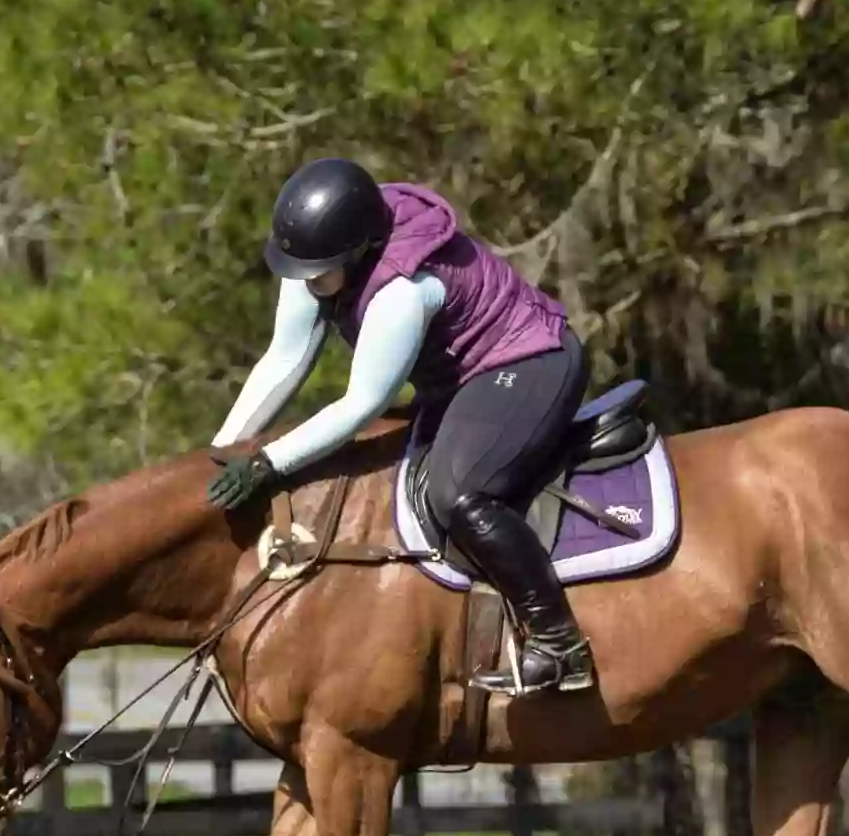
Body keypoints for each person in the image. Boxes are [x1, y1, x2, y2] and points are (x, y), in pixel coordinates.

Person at [203, 157, 595, 696]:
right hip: (457, 376)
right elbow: (285, 359)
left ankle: (558, 643)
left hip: (530, 362)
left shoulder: (403, 291)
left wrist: (268, 463)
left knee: (460, 494)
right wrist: (224, 450)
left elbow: (361, 403)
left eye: (316, 273)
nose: (304, 283)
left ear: (356, 252)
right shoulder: (319, 255)